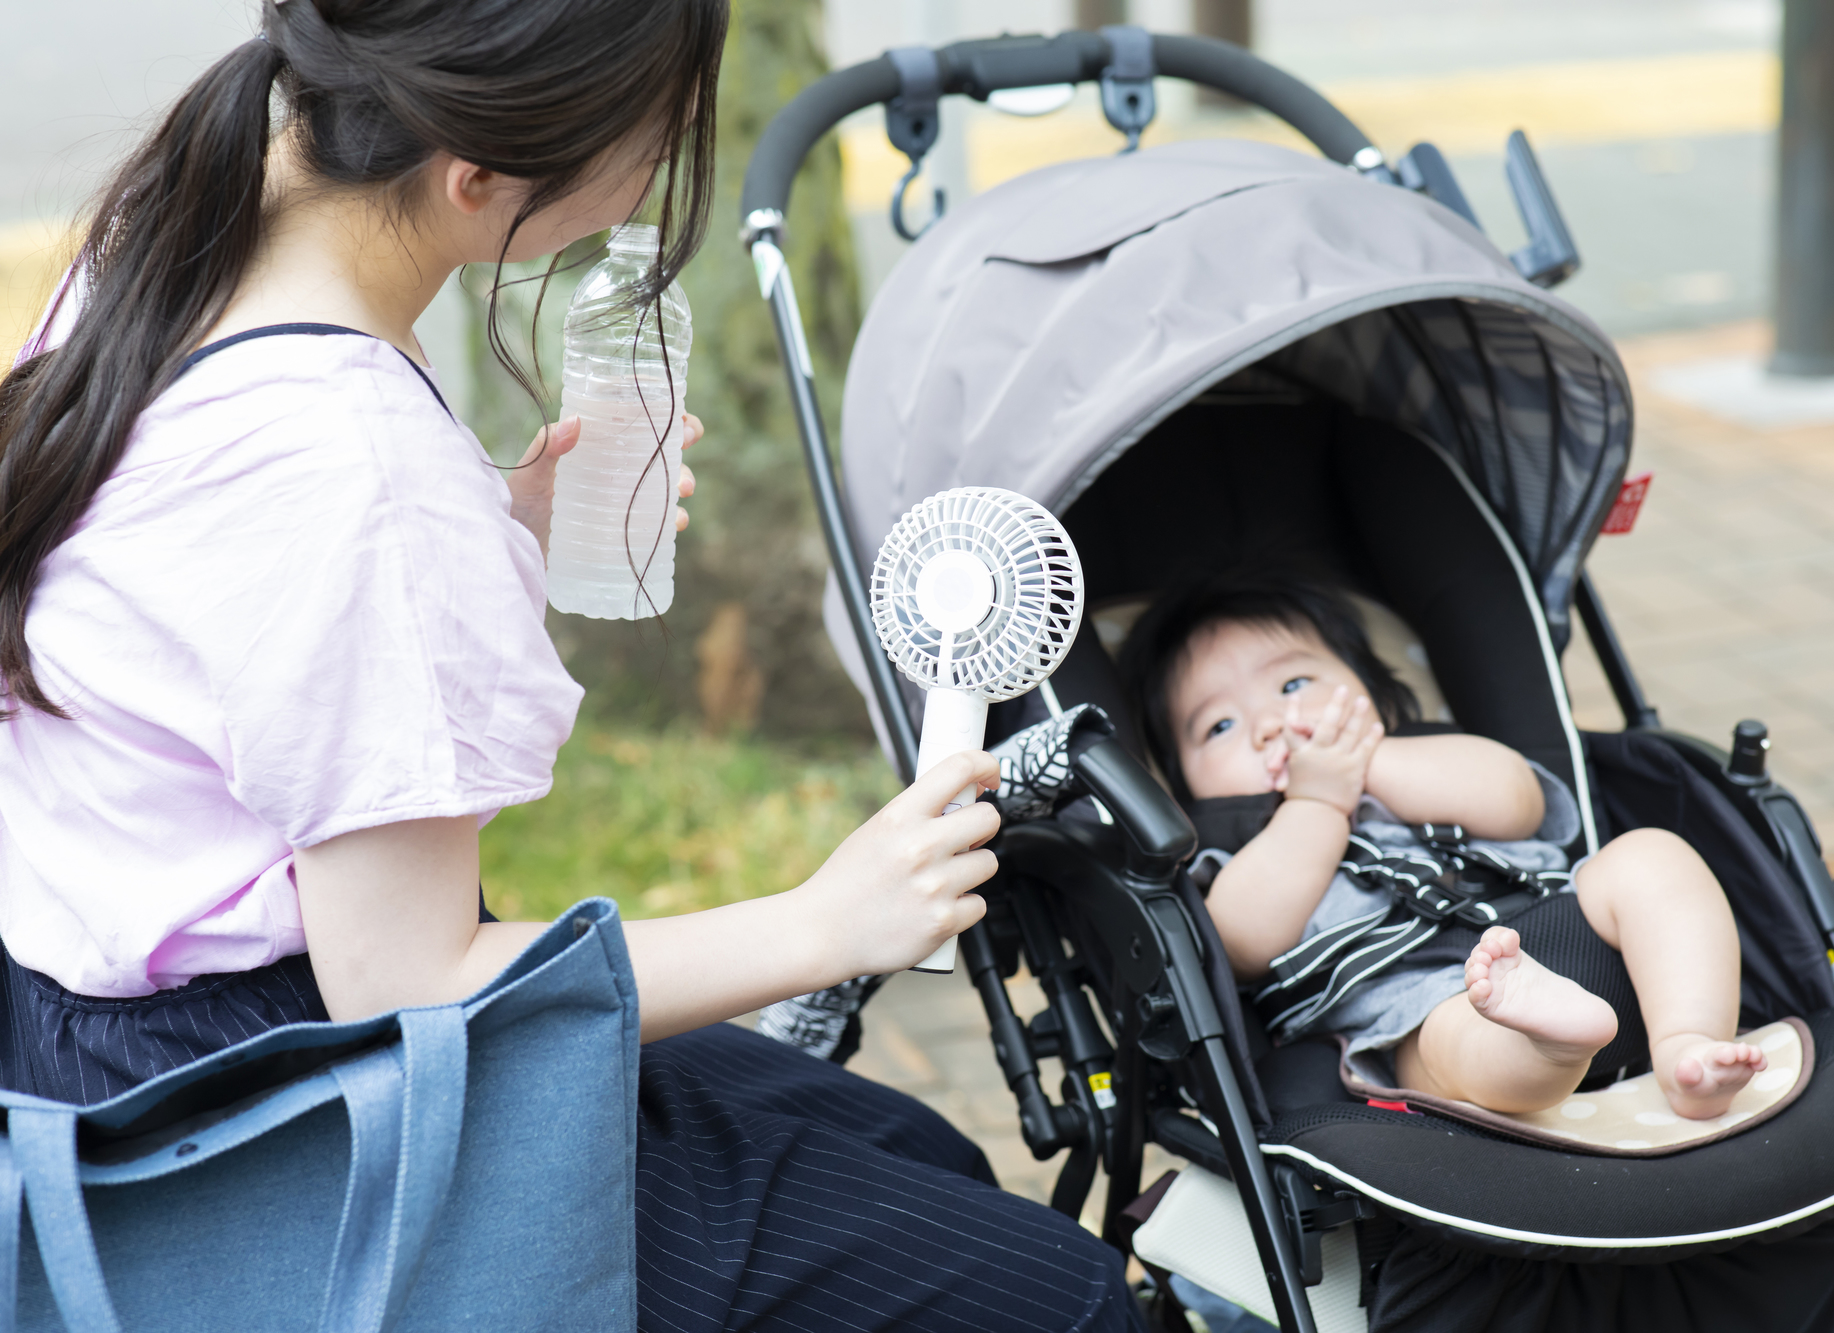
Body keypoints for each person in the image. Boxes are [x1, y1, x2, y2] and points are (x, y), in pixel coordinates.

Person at [0, 3, 1140, 1329]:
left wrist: (495, 543)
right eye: (653, 135)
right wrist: (823, 924)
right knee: (1054, 1299)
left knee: (909, 1156)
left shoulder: (184, 235)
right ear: (475, 177)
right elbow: (407, 984)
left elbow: (231, 615)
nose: (663, 169)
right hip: (276, 1119)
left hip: (95, 1033)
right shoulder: (361, 469)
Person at [1120, 567, 1768, 1119]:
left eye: (1293, 685)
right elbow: (1239, 941)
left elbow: (1519, 800)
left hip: (1569, 927)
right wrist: (1316, 802)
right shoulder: (1231, 846)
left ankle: (1687, 1041)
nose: (1268, 725)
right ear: (1180, 784)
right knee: (1447, 1044)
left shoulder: (1418, 755)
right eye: (1219, 724)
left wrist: (1365, 763)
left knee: (1652, 855)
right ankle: (1552, 1045)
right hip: (1419, 1002)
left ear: (1374, 694)